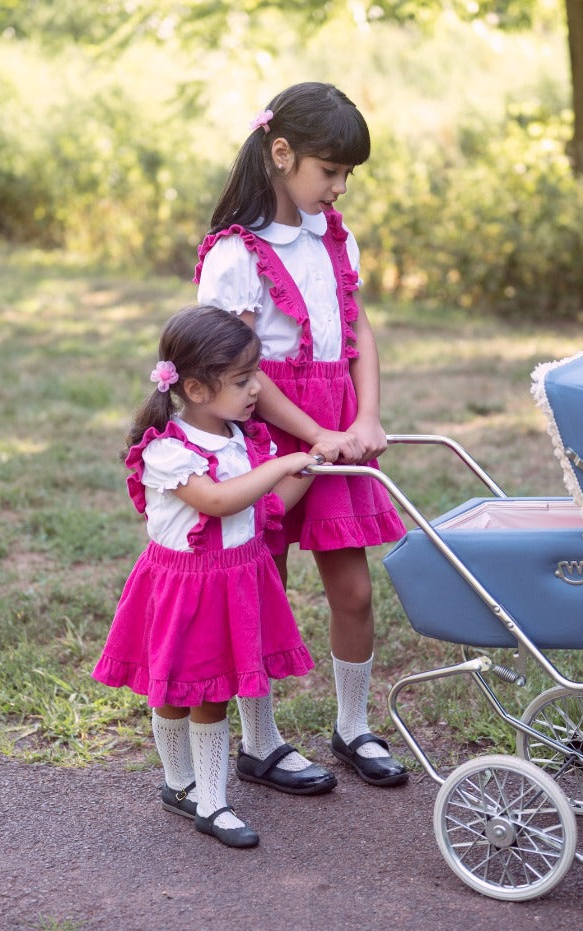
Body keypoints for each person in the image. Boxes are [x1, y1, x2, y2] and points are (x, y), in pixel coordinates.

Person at [195, 82, 408, 794]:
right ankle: (260, 741)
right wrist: (314, 435)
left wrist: (365, 418)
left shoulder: (329, 236)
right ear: (280, 154)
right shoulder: (237, 253)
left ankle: (352, 725)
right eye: (330, 171)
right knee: (260, 589)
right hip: (268, 433)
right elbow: (240, 369)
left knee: (352, 589)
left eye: (348, 174)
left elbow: (358, 328)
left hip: (338, 432)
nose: (340, 187)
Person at [92, 304, 338, 849]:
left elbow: (267, 505)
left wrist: (308, 466)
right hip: (185, 585)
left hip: (236, 580)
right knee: (180, 691)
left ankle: (210, 798)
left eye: (255, 376)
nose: (257, 390)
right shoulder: (168, 449)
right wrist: (279, 464)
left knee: (214, 693)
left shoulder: (242, 438)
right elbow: (220, 501)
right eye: (244, 380)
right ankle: (183, 786)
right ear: (197, 389)